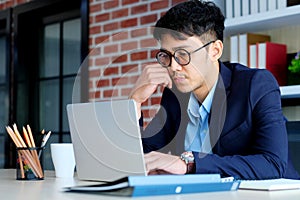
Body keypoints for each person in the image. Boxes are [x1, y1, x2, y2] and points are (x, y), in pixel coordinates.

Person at [129, 0, 300, 180]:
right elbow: (143, 158)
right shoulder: (175, 94)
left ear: (215, 51)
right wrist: (134, 102)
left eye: (182, 54)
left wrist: (188, 163)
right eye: (166, 56)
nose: (173, 67)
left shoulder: (256, 85)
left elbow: (273, 164)